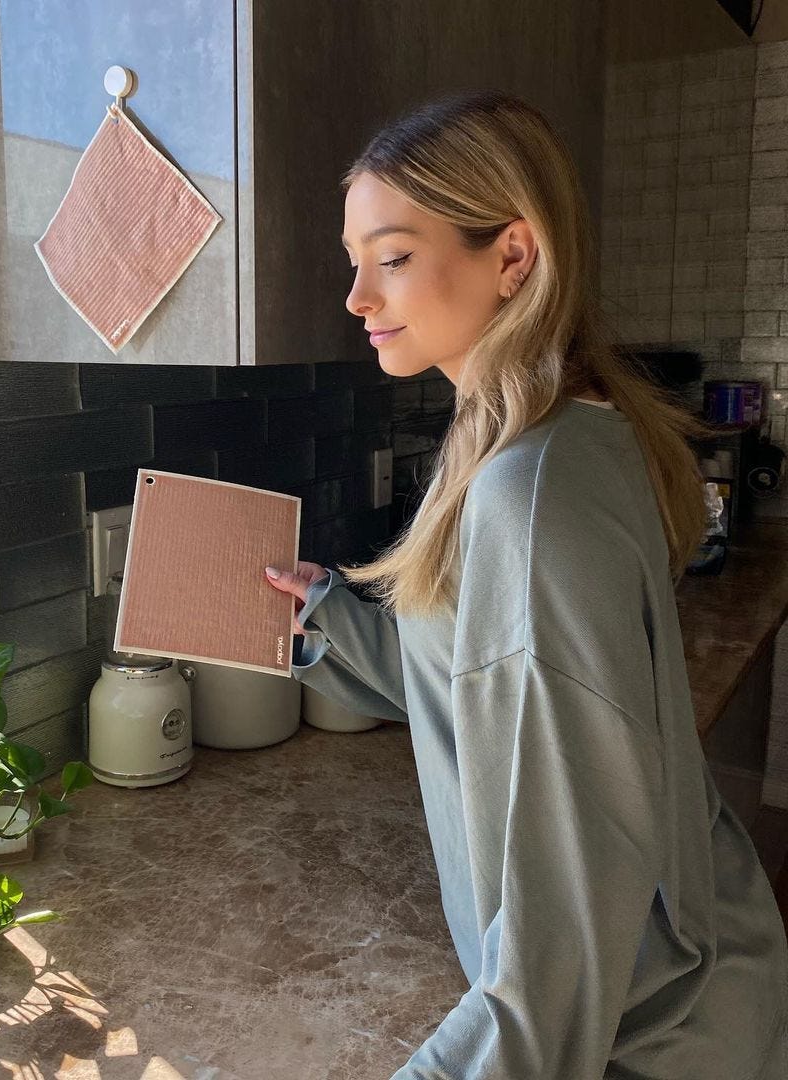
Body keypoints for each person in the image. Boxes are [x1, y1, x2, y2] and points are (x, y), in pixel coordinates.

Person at [264, 88, 788, 1079]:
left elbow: (567, 924)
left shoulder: (527, 493)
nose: (357, 298)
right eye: (354, 263)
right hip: (664, 993)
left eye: (393, 256)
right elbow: (484, 675)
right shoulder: (541, 433)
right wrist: (326, 618)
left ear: (512, 255)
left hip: (652, 1037)